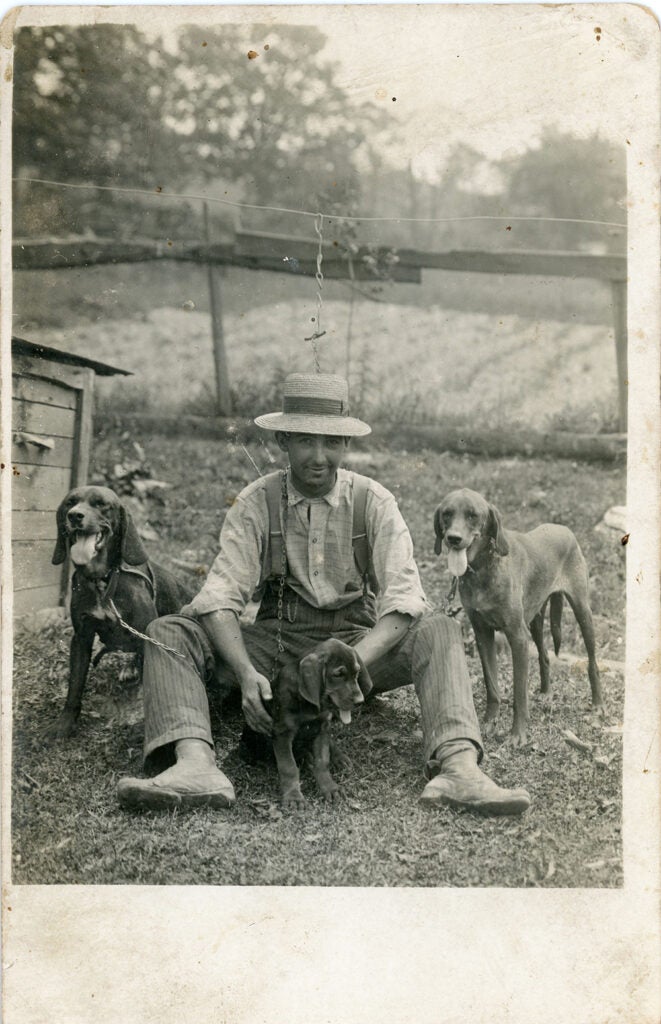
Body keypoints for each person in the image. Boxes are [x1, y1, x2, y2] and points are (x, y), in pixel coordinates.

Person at [117, 372, 531, 815]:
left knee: (440, 629)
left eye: (331, 443)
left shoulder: (373, 502)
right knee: (169, 630)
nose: (319, 457)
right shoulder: (257, 501)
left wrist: (349, 670)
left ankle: (460, 769)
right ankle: (195, 766)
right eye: (305, 442)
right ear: (283, 441)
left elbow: (404, 600)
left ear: (346, 446)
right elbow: (219, 598)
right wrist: (244, 672)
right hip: (276, 650)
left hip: (355, 649)